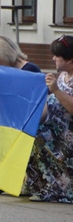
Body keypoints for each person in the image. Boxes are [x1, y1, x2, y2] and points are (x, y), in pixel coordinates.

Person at [22, 35, 73, 202]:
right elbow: (50, 104)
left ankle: (56, 188)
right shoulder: (63, 75)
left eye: (57, 56)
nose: (53, 58)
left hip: (68, 133)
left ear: (70, 59)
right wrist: (31, 120)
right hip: (55, 128)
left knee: (39, 139)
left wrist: (56, 90)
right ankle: (36, 185)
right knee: (28, 134)